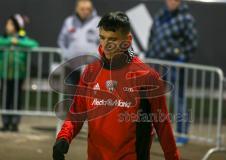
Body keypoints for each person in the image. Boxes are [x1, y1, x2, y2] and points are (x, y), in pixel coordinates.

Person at [53, 11, 179, 160]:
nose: (106, 44)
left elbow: (163, 124)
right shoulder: (91, 71)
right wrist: (64, 137)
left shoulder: (147, 76)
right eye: (102, 38)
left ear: (128, 40)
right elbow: (76, 113)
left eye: (112, 39)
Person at [146, 0, 198, 146]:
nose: (171, 2)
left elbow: (192, 42)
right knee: (155, 99)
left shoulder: (186, 18)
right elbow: (152, 37)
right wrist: (149, 56)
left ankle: (182, 134)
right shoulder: (160, 15)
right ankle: (156, 131)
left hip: (174, 65)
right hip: (156, 64)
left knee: (178, 99)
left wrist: (182, 58)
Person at [0, 14, 38, 132]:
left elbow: (34, 44)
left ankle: (15, 123)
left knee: (17, 99)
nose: (7, 26)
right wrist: (10, 41)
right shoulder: (4, 38)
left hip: (19, 75)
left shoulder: (22, 39)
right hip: (5, 74)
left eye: (11, 24)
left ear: (17, 26)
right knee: (5, 98)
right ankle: (6, 123)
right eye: (7, 24)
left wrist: (18, 42)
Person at [58, 0, 100, 85]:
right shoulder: (69, 21)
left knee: (88, 94)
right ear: (77, 9)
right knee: (71, 94)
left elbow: (104, 42)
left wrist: (96, 56)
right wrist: (66, 54)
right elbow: (61, 40)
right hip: (71, 66)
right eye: (82, 9)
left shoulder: (99, 22)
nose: (85, 11)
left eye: (88, 9)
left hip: (91, 67)